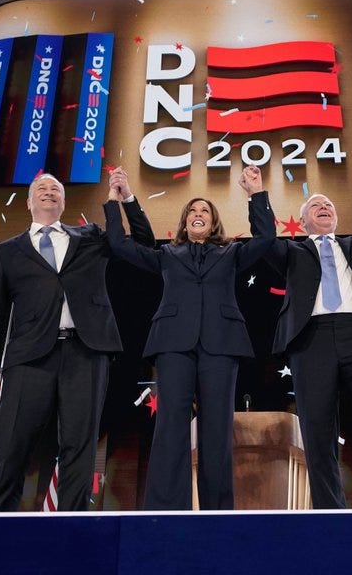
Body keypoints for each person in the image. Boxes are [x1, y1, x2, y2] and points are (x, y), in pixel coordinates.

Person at [0, 169, 155, 511]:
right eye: (41, 188)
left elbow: (144, 243)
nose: (48, 191)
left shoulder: (89, 237)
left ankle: (72, 526)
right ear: (29, 203)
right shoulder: (7, 251)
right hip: (28, 357)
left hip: (85, 353)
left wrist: (126, 198)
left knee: (79, 445)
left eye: (55, 188)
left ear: (63, 202)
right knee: (10, 444)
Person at [103, 165, 274, 510]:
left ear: (213, 223)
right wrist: (116, 200)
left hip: (221, 345)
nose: (198, 215)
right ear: (184, 223)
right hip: (173, 345)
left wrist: (256, 193)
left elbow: (267, 238)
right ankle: (165, 511)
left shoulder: (232, 253)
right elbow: (120, 244)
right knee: (170, 428)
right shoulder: (166, 255)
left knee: (217, 431)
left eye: (205, 212)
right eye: (192, 211)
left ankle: (217, 513)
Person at [265, 156, 352, 509]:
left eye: (328, 205)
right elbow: (264, 239)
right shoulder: (292, 251)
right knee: (317, 430)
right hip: (310, 340)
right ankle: (332, 511)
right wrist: (256, 195)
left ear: (336, 217)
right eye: (315, 205)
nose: (324, 207)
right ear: (305, 220)